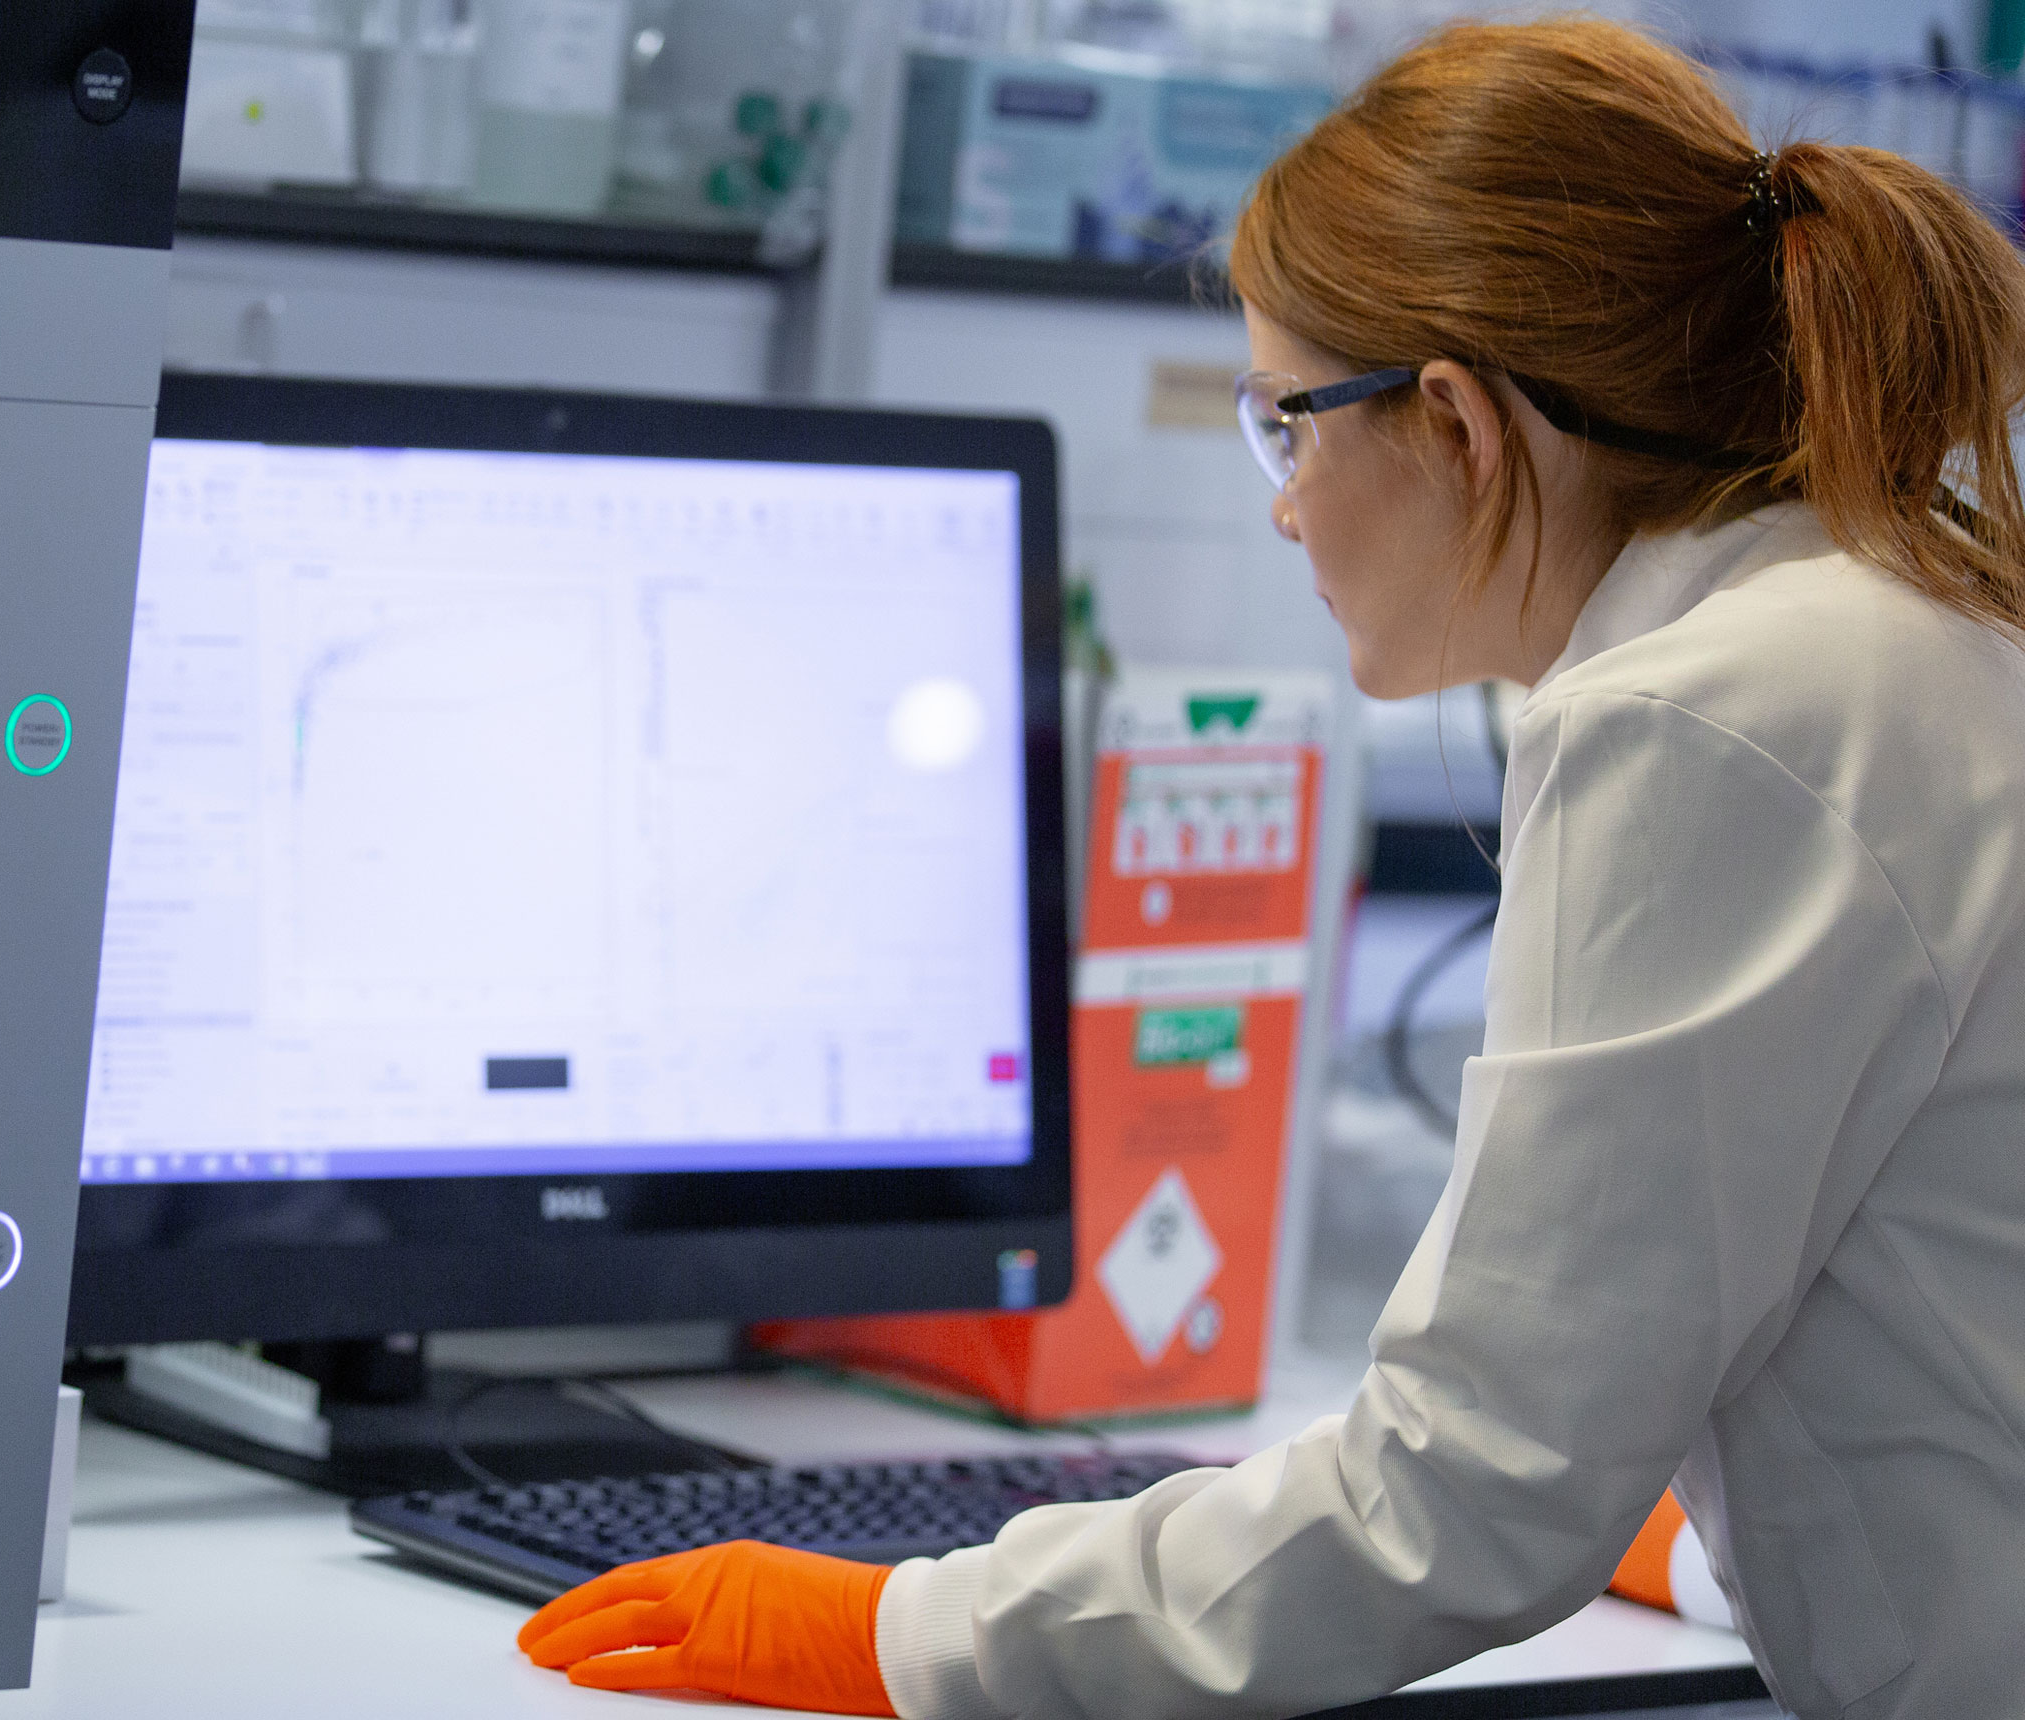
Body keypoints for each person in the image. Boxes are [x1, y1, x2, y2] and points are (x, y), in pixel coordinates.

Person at [519, 17, 2025, 1718]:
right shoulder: (1885, 622)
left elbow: (1460, 1504)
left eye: (1286, 419)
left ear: (1453, 420)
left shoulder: (1713, 718)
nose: (1285, 503)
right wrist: (1671, 1523)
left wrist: (897, 1634)